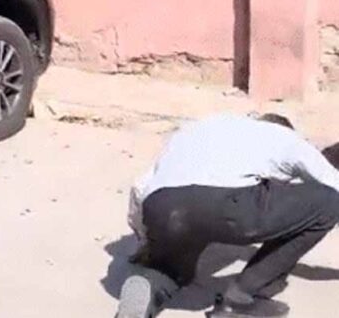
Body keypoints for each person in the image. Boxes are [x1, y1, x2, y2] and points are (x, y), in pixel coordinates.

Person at [117, 113, 339, 318]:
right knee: (330, 202)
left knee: (169, 268)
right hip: (222, 204)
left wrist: (147, 242)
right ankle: (240, 299)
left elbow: (140, 188)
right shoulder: (287, 139)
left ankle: (147, 285)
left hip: (161, 205)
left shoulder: (199, 129)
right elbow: (334, 186)